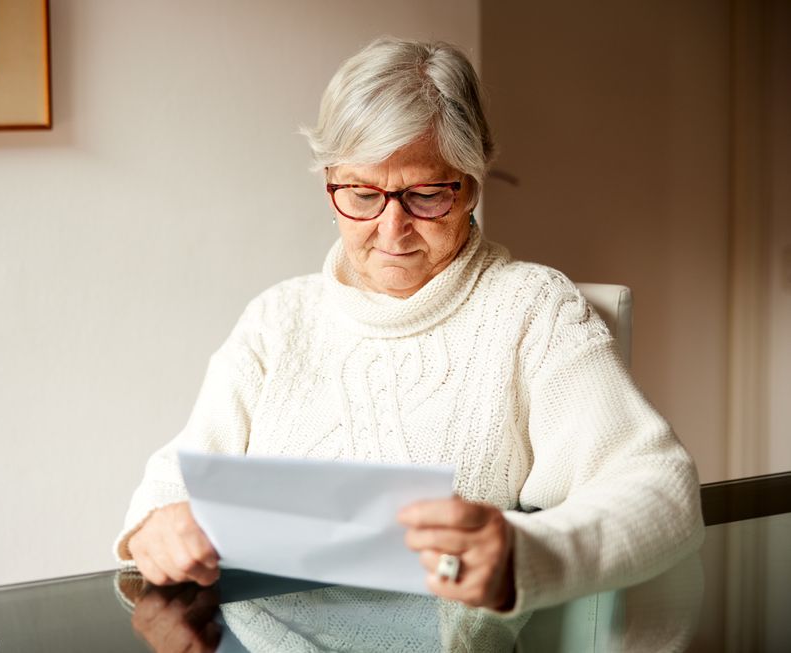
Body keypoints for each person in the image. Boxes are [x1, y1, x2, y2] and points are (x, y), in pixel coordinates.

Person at [114, 36, 703, 614]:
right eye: (361, 194)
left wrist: (520, 554)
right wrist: (156, 525)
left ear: (470, 187)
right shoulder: (278, 318)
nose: (392, 229)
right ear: (329, 184)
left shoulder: (532, 309)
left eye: (425, 194)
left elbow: (661, 490)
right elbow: (174, 481)